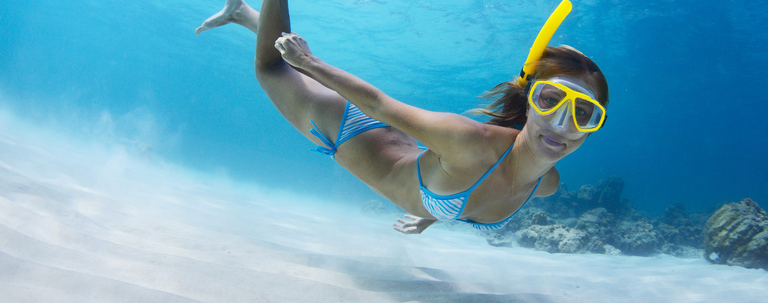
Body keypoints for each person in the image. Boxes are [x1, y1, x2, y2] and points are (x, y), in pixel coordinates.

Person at [196, 0, 608, 234]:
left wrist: (433, 213)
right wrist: (308, 61)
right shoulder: (470, 141)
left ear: (594, 129)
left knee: (283, 65)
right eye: (551, 100)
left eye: (584, 114)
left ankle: (242, 13)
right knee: (273, 69)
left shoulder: (546, 184)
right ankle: (249, 11)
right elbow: (377, 103)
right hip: (347, 131)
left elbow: (466, 196)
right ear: (532, 100)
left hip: (398, 145)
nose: (561, 124)